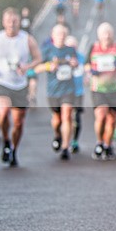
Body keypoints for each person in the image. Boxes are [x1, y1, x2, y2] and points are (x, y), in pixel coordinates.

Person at [0, 8, 42, 167]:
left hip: (20, 84)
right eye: (9, 21)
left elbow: (38, 58)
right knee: (4, 111)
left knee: (18, 122)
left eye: (14, 21)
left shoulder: (27, 39)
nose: (12, 24)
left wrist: (27, 67)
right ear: (3, 22)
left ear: (19, 22)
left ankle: (13, 149)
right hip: (1, 81)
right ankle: (6, 140)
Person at [33, 24, 78, 160]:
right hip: (53, 90)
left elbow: (77, 65)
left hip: (68, 89)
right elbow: (36, 68)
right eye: (58, 34)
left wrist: (75, 64)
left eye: (63, 34)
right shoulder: (47, 50)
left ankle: (65, 147)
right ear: (53, 36)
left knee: (67, 115)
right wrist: (48, 66)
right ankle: (57, 134)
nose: (61, 37)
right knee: (57, 119)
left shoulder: (71, 50)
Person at [86, 22, 116, 160]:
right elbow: (85, 66)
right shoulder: (93, 48)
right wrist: (91, 70)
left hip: (114, 89)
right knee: (101, 115)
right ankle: (99, 143)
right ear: (99, 35)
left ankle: (108, 145)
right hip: (98, 88)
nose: (106, 36)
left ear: (112, 35)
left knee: (112, 120)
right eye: (103, 33)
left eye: (109, 33)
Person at [65, 35, 86, 153]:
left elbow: (87, 70)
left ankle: (75, 141)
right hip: (64, 92)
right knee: (65, 117)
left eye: (74, 46)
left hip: (78, 93)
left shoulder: (82, 58)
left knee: (76, 118)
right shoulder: (62, 58)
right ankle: (64, 139)